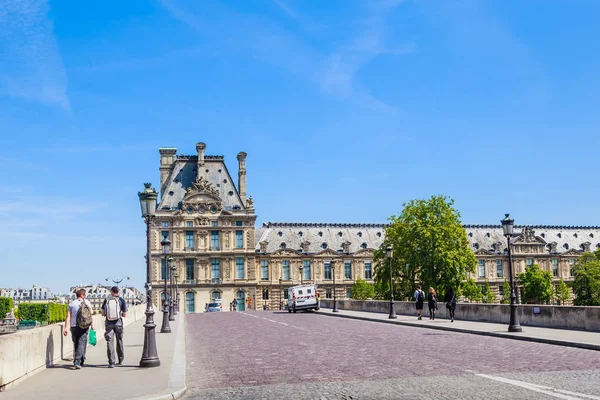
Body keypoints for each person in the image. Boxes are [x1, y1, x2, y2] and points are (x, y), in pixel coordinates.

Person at [64, 288, 94, 369]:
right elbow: (91, 314)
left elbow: (68, 316)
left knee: (76, 343)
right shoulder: (87, 302)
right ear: (82, 295)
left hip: (73, 326)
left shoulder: (72, 303)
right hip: (84, 325)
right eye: (84, 295)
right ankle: (77, 361)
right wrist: (92, 325)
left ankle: (81, 359)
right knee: (82, 342)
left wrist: (66, 328)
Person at [101, 286, 128, 368]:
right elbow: (124, 314)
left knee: (110, 342)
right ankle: (120, 360)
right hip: (118, 323)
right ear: (118, 292)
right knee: (119, 341)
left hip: (109, 323)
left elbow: (102, 313)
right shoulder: (121, 300)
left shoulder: (107, 300)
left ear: (111, 292)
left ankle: (111, 362)